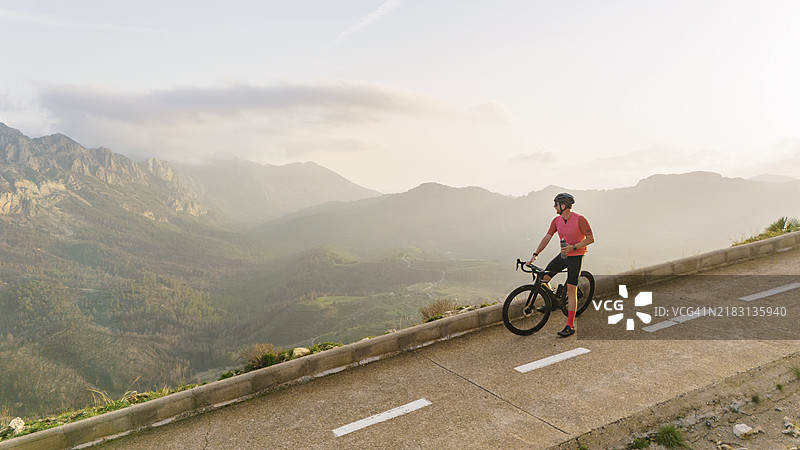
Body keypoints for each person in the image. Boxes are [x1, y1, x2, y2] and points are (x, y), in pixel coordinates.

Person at [527, 192, 595, 337]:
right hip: (564, 255)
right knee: (543, 278)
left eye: (556, 204)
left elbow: (590, 239)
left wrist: (574, 247)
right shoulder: (556, 220)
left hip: (576, 256)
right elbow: (547, 237)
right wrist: (535, 254)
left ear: (563, 205)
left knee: (571, 290)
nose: (554, 206)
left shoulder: (580, 219)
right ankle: (552, 303)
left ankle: (570, 326)